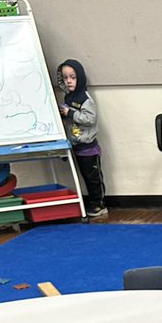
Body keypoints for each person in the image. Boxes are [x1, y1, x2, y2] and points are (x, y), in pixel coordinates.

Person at [56, 58, 107, 218]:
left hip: (89, 148)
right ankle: (91, 201)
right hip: (77, 145)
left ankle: (99, 204)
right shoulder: (69, 98)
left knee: (93, 178)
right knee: (85, 176)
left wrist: (70, 113)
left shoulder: (85, 99)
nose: (69, 81)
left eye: (73, 77)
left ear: (80, 78)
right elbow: (71, 121)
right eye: (65, 78)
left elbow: (90, 119)